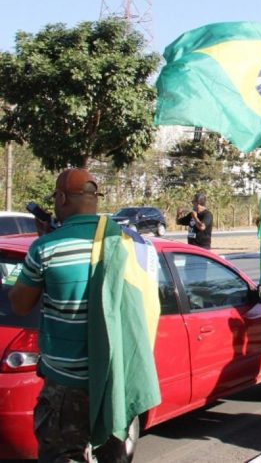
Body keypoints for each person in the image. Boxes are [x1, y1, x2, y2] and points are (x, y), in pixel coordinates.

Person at [8, 168, 161, 462]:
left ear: (62, 197)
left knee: (62, 455)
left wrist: (42, 244)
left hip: (67, 385)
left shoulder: (46, 247)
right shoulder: (128, 242)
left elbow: (20, 304)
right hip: (116, 379)